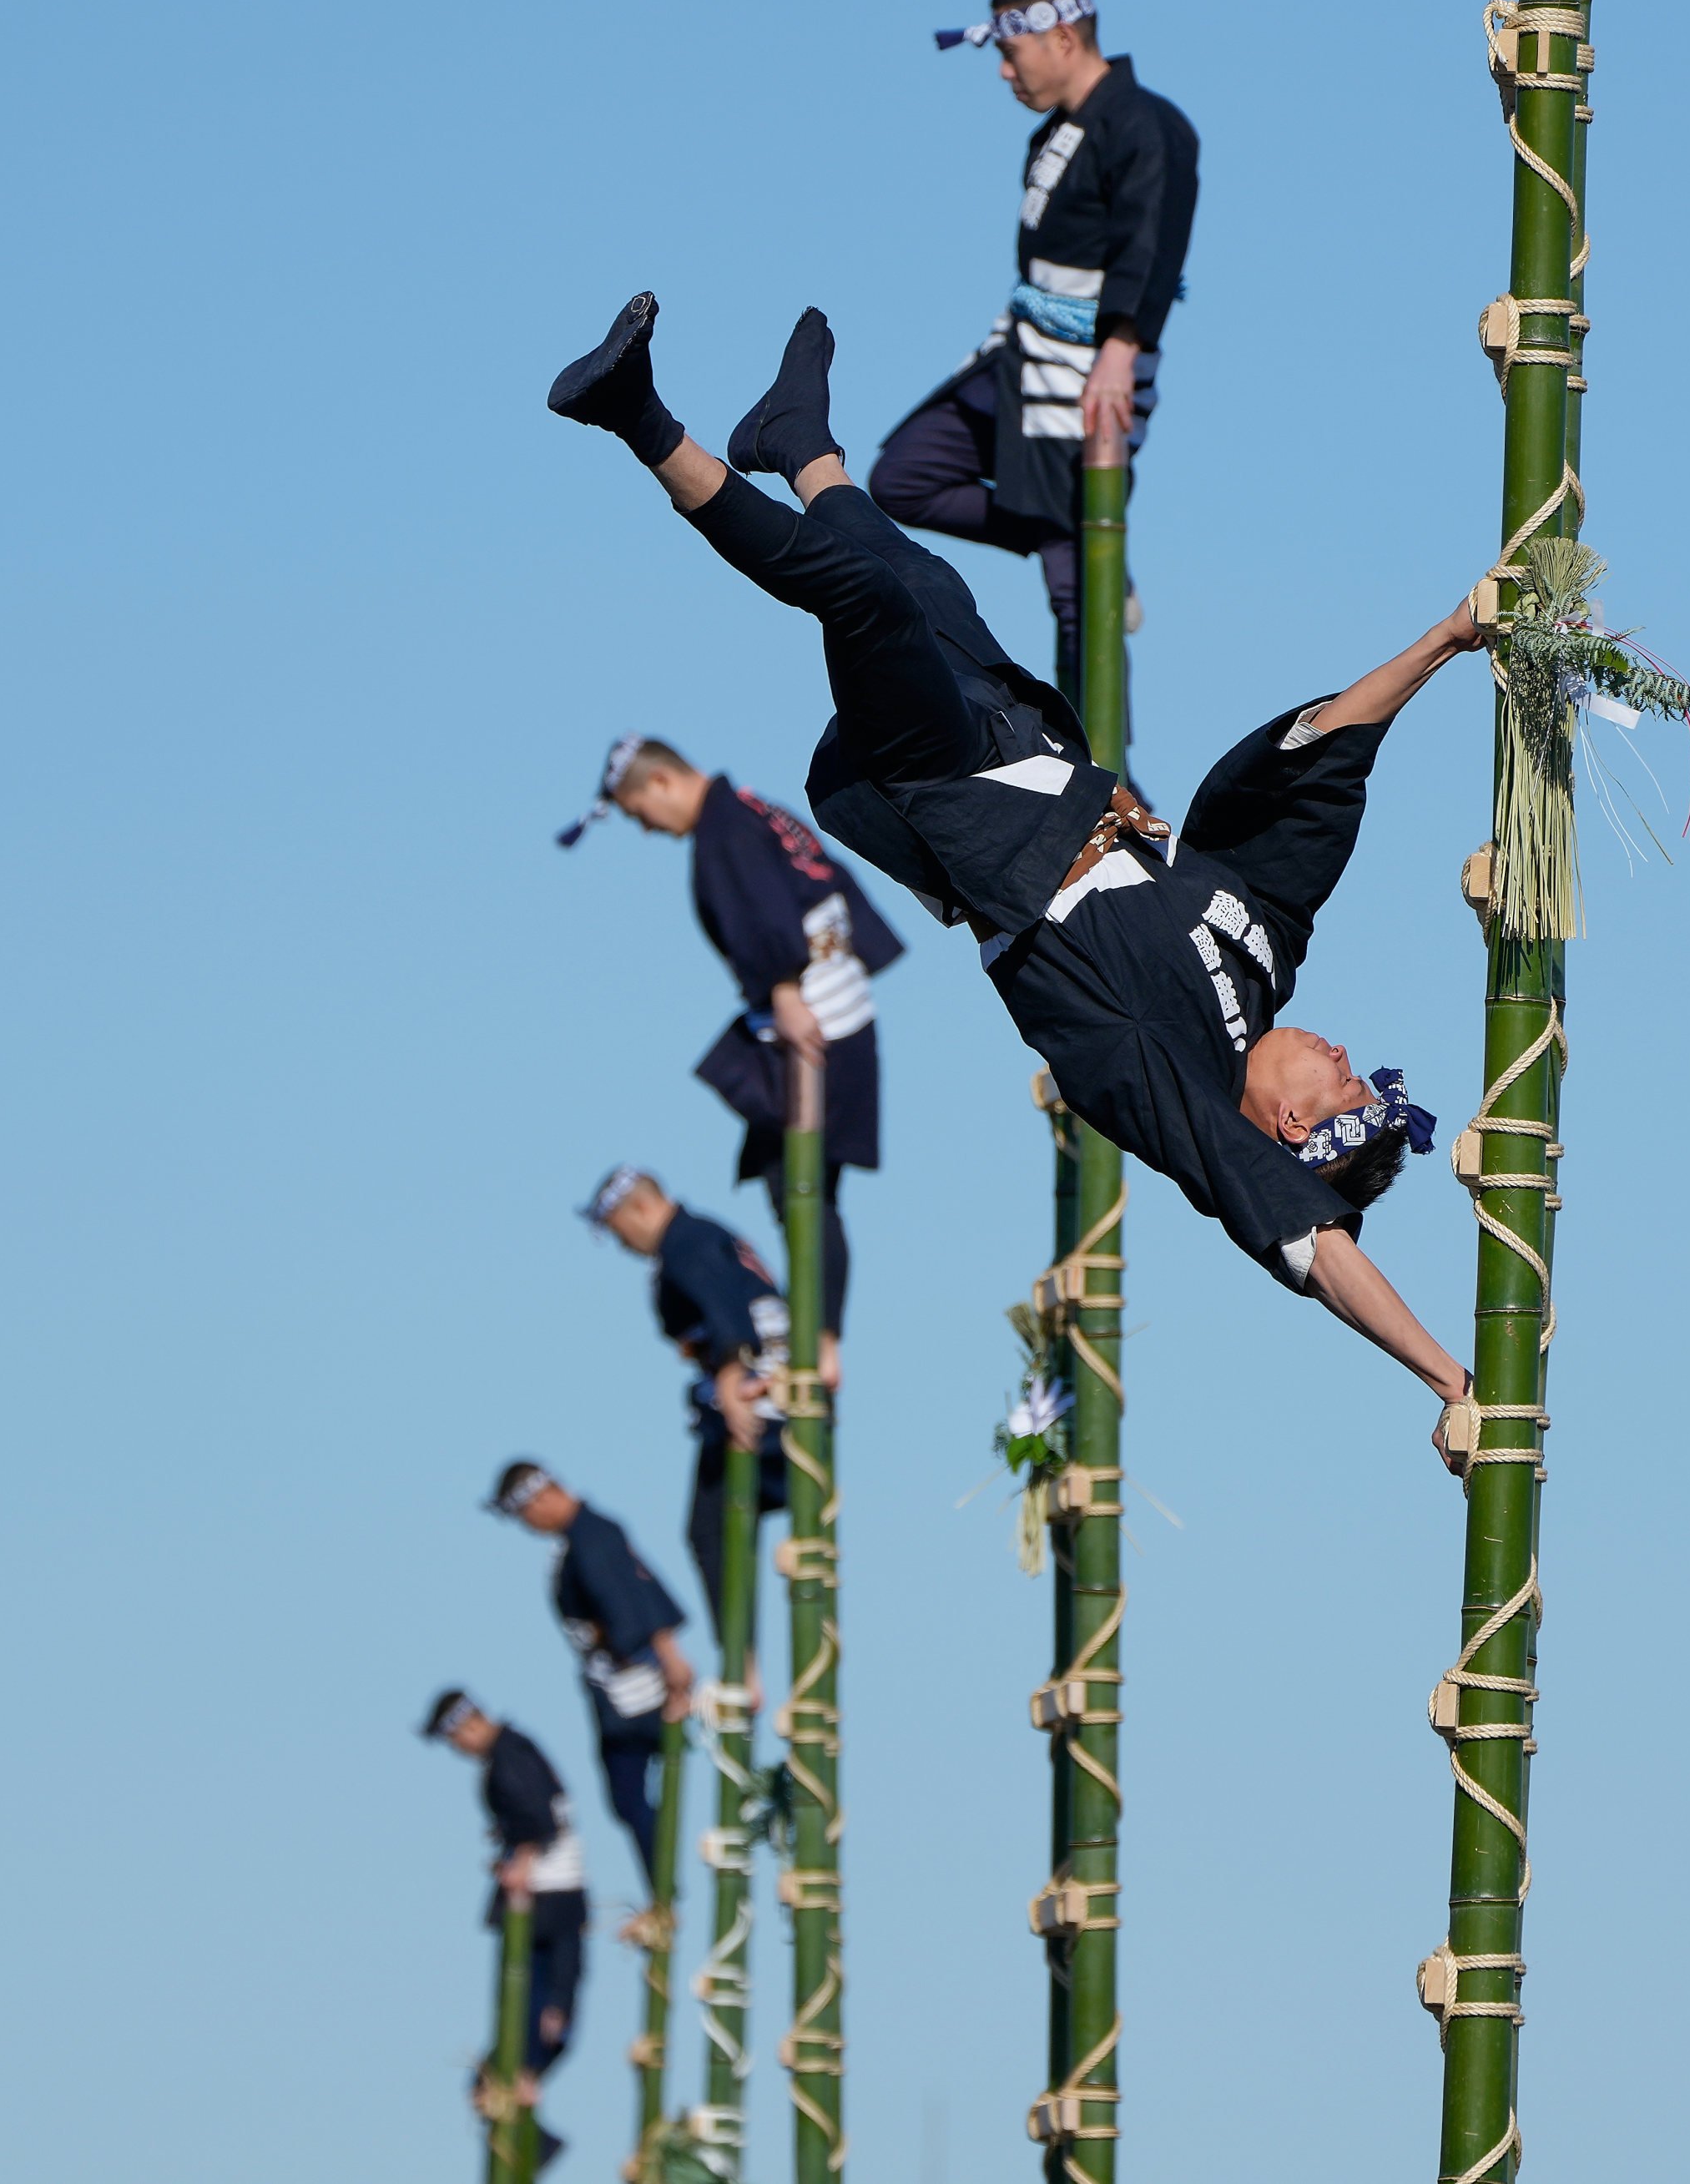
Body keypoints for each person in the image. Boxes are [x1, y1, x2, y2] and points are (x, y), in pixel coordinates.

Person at [547, 296, 1479, 1460]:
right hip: (1025, 743)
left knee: (865, 597)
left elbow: (1315, 1244)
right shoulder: (1265, 942)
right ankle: (798, 442)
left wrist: (1450, 1377)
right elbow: (1322, 758)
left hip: (948, 803)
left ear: (1290, 1121)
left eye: (1338, 1087)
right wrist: (1443, 642)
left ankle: (635, 414)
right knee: (919, 581)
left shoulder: (1169, 1076)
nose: (1345, 1056)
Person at [874, 0, 1199, 686]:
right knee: (902, 476)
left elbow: (1149, 245)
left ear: (1060, 38)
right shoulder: (1058, 132)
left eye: (1011, 54)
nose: (1002, 72)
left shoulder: (1147, 124)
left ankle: (1111, 782)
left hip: (1084, 369)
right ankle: (1064, 528)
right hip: (1018, 352)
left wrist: (1120, 347)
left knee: (1079, 602)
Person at [558, 738, 903, 1336]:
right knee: (787, 1172)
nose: (647, 829)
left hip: (814, 1013)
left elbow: (769, 916)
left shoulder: (727, 831)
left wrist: (786, 991)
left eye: (640, 812)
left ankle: (820, 1336)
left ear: (662, 781)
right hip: (837, 1004)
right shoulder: (751, 810)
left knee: (800, 1182)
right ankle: (818, 1330)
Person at [577, 1166, 804, 1618]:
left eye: (617, 1229)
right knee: (715, 1526)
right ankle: (744, 1660)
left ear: (640, 1207)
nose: (621, 1244)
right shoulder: (695, 1239)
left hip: (762, 1393)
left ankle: (744, 1671)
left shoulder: (685, 1241)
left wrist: (731, 1381)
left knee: (712, 1531)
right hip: (770, 1390)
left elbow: (730, 1316)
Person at [487, 1460, 694, 1887]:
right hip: (619, 1685)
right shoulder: (585, 1536)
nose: (526, 1524)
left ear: (542, 1498)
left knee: (630, 1792)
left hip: (635, 1687)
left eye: (524, 1513)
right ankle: (662, 1887)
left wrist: (669, 1660)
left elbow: (630, 1601)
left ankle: (664, 1890)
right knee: (627, 1797)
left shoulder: (590, 1538)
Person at [424, 1688, 587, 2164]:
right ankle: (530, 2124)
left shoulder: (506, 1761)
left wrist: (520, 1862)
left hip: (546, 1901)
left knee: (527, 2034)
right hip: (554, 1899)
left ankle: (531, 2133)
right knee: (512, 2056)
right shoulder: (517, 1749)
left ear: (465, 1727)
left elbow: (539, 1821)